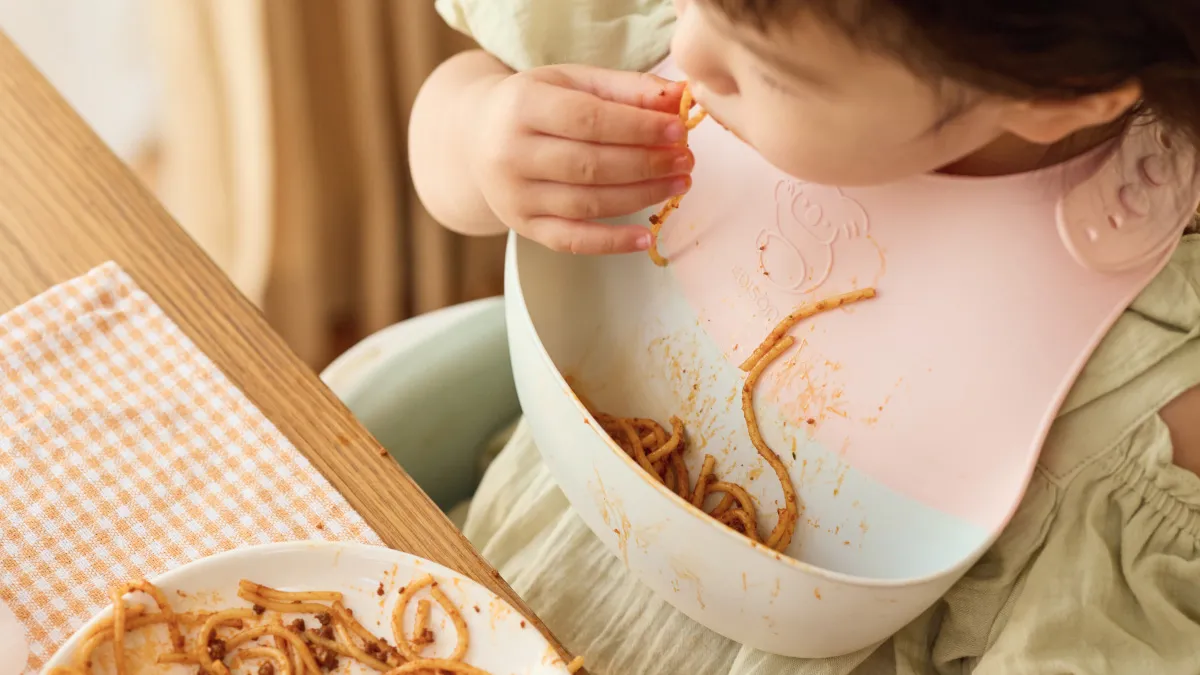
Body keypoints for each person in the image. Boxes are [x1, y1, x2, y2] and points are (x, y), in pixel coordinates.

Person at [409, 1, 1200, 672]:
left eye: (773, 73)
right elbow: (452, 110)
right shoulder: (725, 24)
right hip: (459, 588)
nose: (684, 52)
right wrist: (482, 135)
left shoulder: (1146, 402)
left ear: (1054, 97)